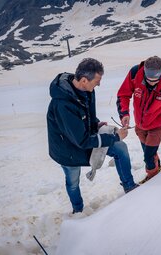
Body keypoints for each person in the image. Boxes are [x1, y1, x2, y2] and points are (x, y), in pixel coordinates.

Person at [47, 58, 138, 214]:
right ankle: (78, 211)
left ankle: (129, 186)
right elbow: (82, 140)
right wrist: (115, 137)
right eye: (97, 81)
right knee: (73, 182)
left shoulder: (87, 90)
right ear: (83, 80)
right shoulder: (63, 105)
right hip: (67, 150)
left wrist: (96, 124)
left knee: (120, 148)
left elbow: (85, 116)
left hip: (83, 138)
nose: (98, 84)